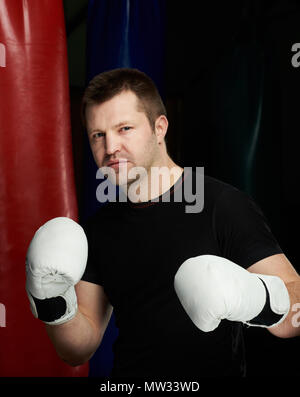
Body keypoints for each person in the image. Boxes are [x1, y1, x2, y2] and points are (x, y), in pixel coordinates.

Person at [25, 68, 300, 379]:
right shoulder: (99, 230)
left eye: (124, 128)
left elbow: (295, 308)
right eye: (97, 135)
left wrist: (254, 297)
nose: (110, 147)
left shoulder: (221, 205)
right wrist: (51, 299)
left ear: (160, 128)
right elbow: (77, 349)